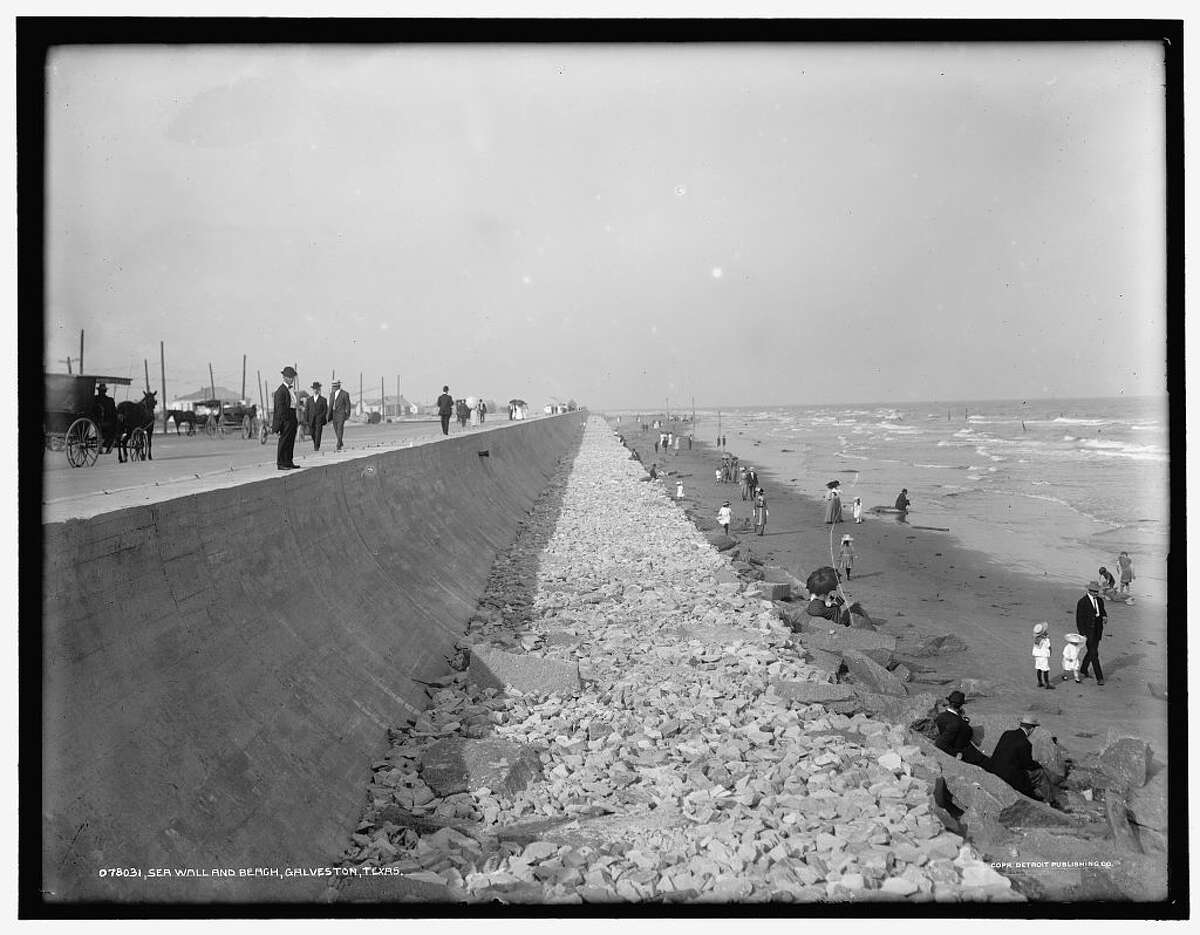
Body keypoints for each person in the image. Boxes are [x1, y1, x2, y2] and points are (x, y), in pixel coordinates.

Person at [989, 713, 1065, 808]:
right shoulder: (1025, 742)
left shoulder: (1006, 734)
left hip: (994, 771)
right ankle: (1051, 801)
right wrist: (1039, 765)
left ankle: (1040, 795)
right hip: (1009, 778)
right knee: (1040, 773)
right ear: (1031, 729)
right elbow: (1028, 765)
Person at [933, 691, 992, 769]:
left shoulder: (941, 716)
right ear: (961, 706)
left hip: (957, 743)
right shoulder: (958, 723)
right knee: (988, 763)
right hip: (965, 752)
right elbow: (940, 743)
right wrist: (956, 754)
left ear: (949, 702)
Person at [1075, 580, 1107, 685]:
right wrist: (1082, 633)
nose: (1096, 593)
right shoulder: (1082, 602)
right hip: (1087, 631)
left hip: (1098, 629)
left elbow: (1102, 611)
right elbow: (1079, 619)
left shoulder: (1100, 601)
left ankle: (1084, 669)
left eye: (1097, 591)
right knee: (1094, 654)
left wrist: (1104, 616)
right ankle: (1100, 677)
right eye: (1094, 591)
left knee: (1092, 651)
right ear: (1089, 590)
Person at [272, 366, 300, 470]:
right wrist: (282, 422)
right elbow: (280, 409)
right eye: (289, 377)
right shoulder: (281, 391)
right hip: (285, 418)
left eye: (292, 377)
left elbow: (293, 403)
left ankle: (288, 461)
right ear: (284, 377)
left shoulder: (291, 389)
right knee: (284, 440)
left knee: (291, 440)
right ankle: (281, 462)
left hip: (292, 415)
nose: (291, 379)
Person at [92, 382, 118, 454]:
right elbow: (114, 412)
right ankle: (111, 442)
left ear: (98, 391)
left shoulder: (94, 399)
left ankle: (107, 442)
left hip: (95, 421)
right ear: (105, 391)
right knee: (115, 425)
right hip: (105, 423)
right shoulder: (110, 400)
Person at [328, 379, 351, 451]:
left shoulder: (345, 394)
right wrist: (328, 415)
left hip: (341, 414)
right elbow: (330, 406)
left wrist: (347, 414)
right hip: (334, 414)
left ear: (338, 386)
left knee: (340, 428)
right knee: (336, 428)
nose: (333, 387)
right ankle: (340, 441)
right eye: (333, 386)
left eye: (335, 386)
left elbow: (348, 405)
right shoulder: (331, 394)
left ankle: (338, 444)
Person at [1032, 622, 1055, 690]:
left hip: (1037, 656)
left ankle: (1039, 682)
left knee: (1039, 668)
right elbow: (1049, 646)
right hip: (1043, 656)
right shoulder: (1045, 640)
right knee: (1045, 670)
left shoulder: (1036, 639)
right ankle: (1047, 684)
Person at [307, 381, 328, 451]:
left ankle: (316, 447)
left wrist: (321, 416)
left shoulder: (323, 400)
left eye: (317, 389)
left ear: (319, 389)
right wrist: (306, 419)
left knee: (318, 433)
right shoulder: (309, 400)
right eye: (314, 389)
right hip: (311, 419)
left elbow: (325, 410)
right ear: (313, 390)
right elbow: (307, 410)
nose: (315, 390)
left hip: (319, 420)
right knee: (313, 433)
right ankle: (315, 443)